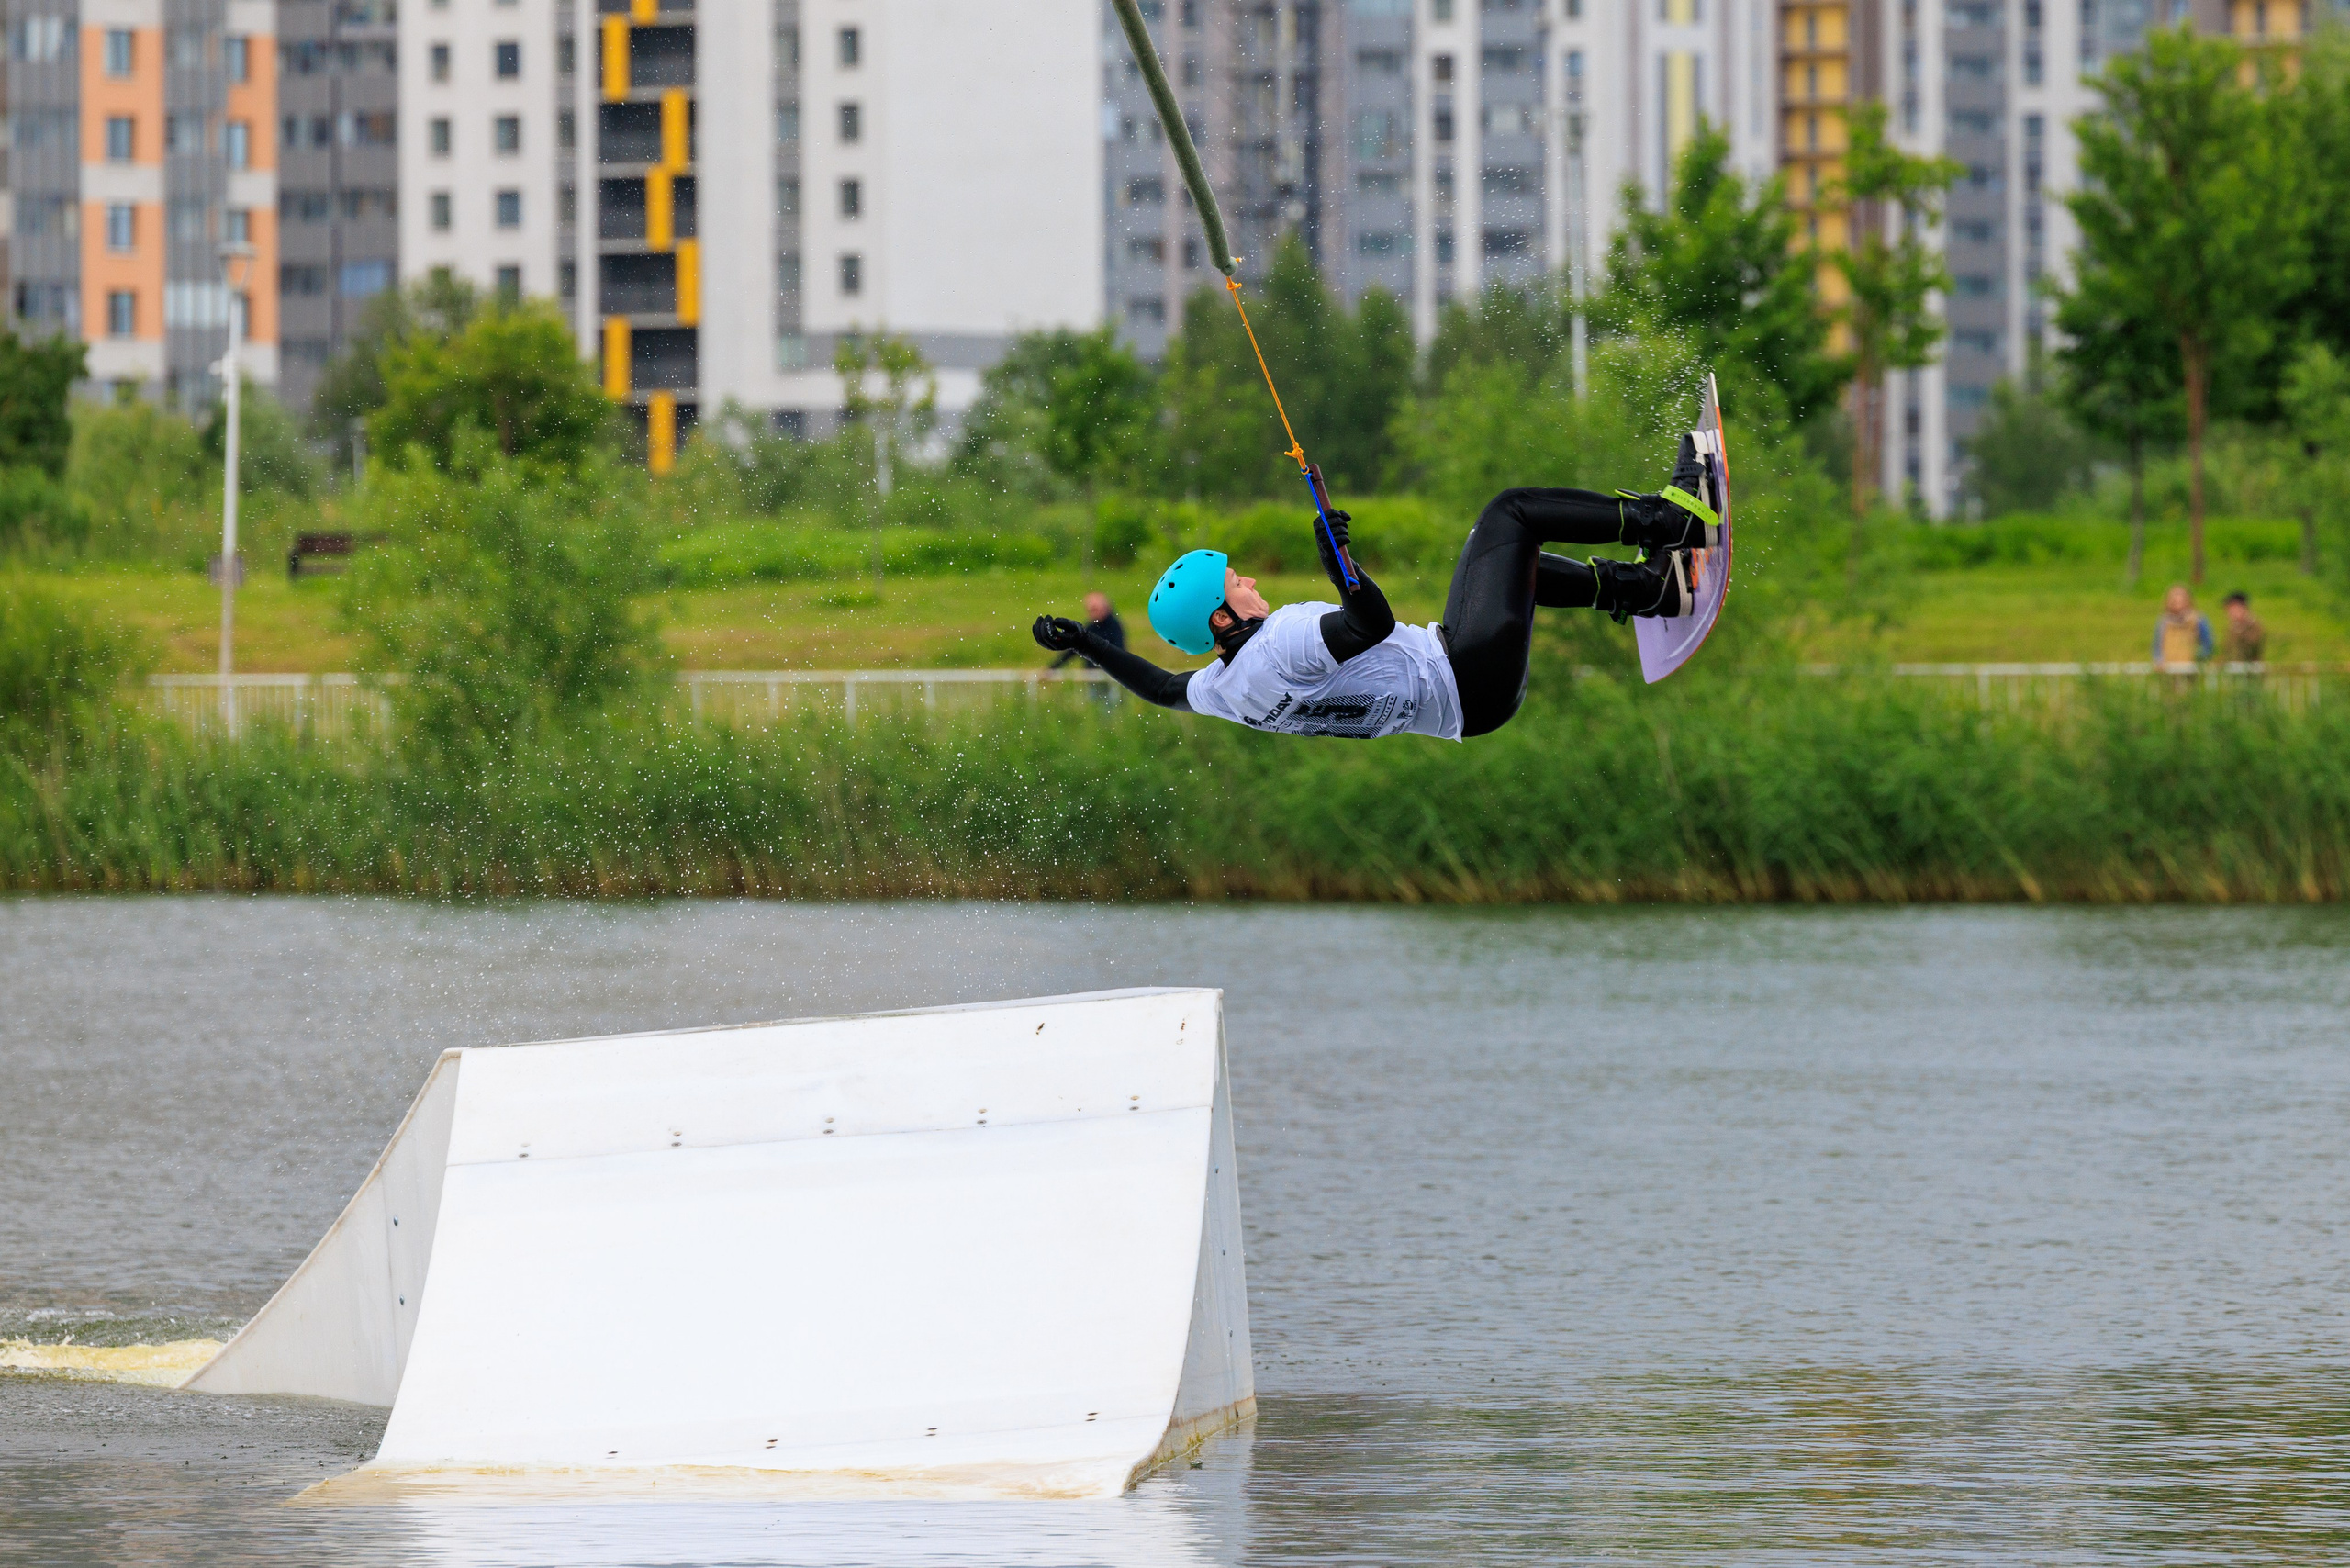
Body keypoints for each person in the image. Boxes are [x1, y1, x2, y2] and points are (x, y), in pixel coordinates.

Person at [1030, 442, 1717, 740]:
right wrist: (1339, 565)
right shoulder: (1283, 644)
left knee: (1499, 560)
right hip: (1465, 671)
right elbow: (1372, 624)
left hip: (1468, 702)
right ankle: (1674, 518)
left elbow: (1157, 688)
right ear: (1219, 614)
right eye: (1239, 582)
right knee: (1511, 514)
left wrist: (1088, 643)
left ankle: (1651, 589)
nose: (1253, 581)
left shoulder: (1226, 686)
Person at [1048, 591, 1125, 672]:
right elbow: (1073, 648)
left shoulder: (1114, 627)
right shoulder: (1091, 626)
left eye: (1094, 610)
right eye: (1089, 610)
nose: (1091, 614)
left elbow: (1118, 651)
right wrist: (1053, 668)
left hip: (1108, 674)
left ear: (1105, 608)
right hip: (1093, 674)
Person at [2152, 584, 2212, 668]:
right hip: (2168, 669)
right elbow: (2157, 646)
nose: (2178, 605)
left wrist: (2198, 658)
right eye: (2175, 602)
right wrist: (2159, 661)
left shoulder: (2198, 619)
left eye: (2181, 601)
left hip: (2191, 669)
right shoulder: (2163, 622)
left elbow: (2207, 644)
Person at [2221, 591, 2266, 665]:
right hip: (2234, 670)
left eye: (2231, 609)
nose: (2229, 613)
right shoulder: (2233, 628)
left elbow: (2251, 648)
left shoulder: (2254, 626)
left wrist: (2240, 630)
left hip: (2250, 670)